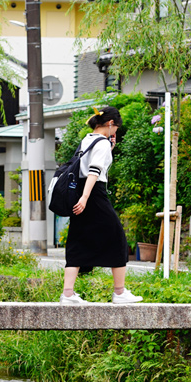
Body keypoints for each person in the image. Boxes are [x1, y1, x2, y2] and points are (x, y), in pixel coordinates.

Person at [60, 106, 142, 305]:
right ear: (110, 124)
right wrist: (87, 197)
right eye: (116, 129)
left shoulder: (87, 139)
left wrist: (82, 197)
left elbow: (85, 166)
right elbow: (94, 171)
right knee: (117, 237)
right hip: (94, 194)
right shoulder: (102, 143)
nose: (115, 133)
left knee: (77, 241)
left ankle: (68, 294)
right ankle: (119, 292)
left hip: (80, 192)